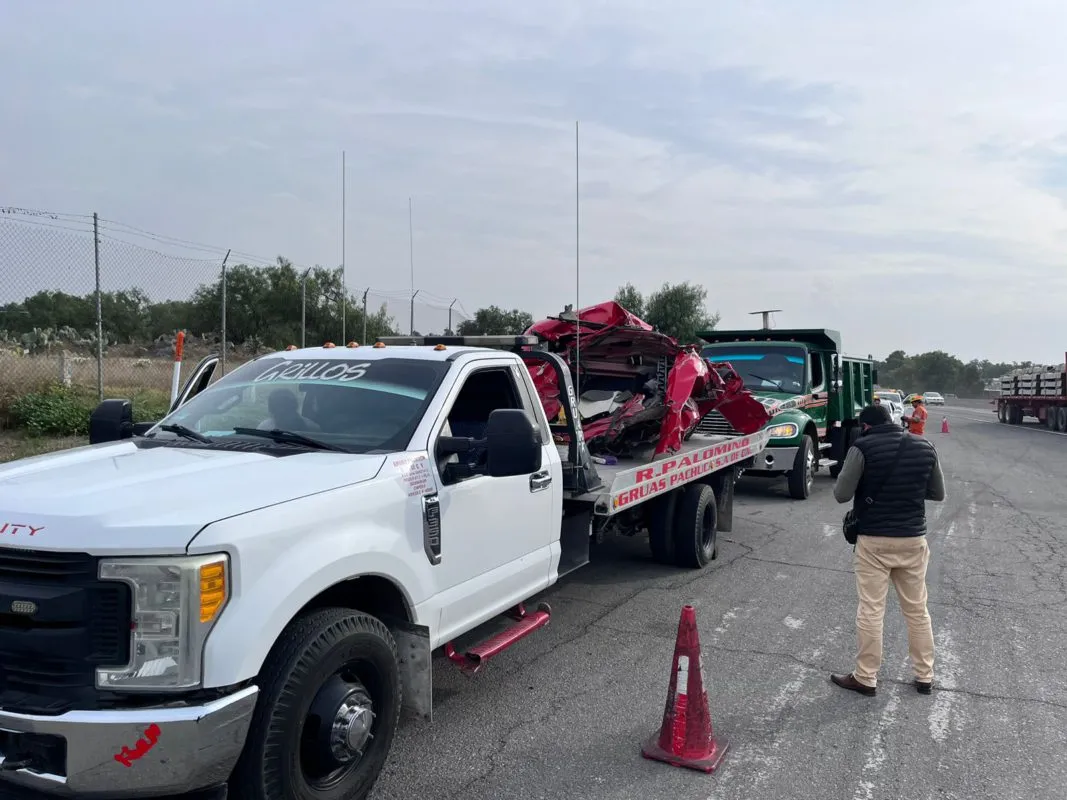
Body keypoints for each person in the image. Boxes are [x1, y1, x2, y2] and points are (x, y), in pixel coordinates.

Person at [830, 403, 946, 696]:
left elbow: (841, 494)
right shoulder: (925, 446)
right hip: (913, 539)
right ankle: (924, 676)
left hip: (874, 540)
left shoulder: (862, 447)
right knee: (917, 610)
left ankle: (866, 677)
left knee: (871, 609)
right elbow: (938, 493)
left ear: (865, 426)